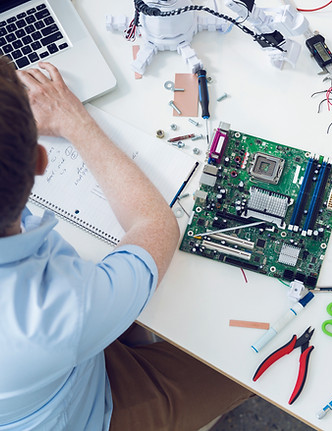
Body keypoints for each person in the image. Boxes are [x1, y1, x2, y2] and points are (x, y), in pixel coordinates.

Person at [0, 57, 251, 431]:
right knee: (247, 364)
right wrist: (74, 121)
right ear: (41, 159)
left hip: (40, 381)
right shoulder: (59, 309)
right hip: (91, 408)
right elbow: (153, 225)